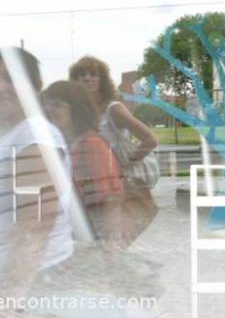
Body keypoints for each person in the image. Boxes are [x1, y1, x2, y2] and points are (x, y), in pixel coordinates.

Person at [0, 47, 78, 302]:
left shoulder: (34, 134)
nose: (1, 87)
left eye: (11, 78)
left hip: (36, 281)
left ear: (35, 87)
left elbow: (34, 228)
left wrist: (10, 297)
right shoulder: (11, 135)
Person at [69, 56, 159, 243]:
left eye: (93, 74)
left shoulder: (113, 108)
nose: (87, 79)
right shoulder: (77, 112)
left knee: (109, 236)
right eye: (81, 75)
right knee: (94, 236)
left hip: (111, 185)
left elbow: (150, 139)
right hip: (87, 184)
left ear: (102, 80)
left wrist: (124, 166)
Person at [42, 80, 124, 243]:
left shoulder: (91, 144)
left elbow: (109, 199)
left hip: (89, 237)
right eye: (47, 104)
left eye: (56, 105)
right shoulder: (60, 143)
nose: (48, 110)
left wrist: (110, 242)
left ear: (76, 110)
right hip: (69, 235)